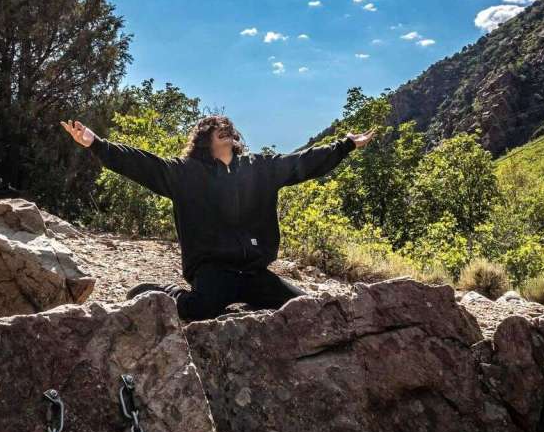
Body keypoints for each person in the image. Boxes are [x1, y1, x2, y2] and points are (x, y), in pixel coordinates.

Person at [60, 115, 374, 321]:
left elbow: (303, 162)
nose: (223, 128)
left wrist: (345, 145)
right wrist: (97, 144)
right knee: (200, 309)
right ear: (204, 138)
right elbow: (143, 164)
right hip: (213, 270)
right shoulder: (186, 174)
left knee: (303, 307)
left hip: (253, 271)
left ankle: (250, 300)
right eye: (214, 127)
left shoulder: (259, 167)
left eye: (226, 126)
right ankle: (164, 291)